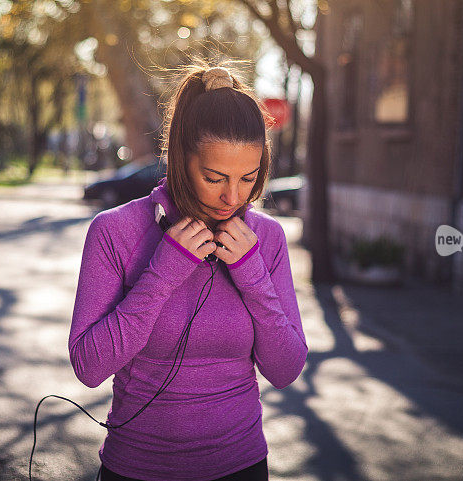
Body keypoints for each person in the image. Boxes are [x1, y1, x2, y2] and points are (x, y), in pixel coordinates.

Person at [68, 62, 308, 481]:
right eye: (215, 177)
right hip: (136, 469)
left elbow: (286, 369)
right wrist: (163, 273)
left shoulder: (266, 240)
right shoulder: (115, 231)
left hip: (241, 467)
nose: (233, 196)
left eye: (248, 178)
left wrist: (251, 274)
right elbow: (89, 366)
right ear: (181, 158)